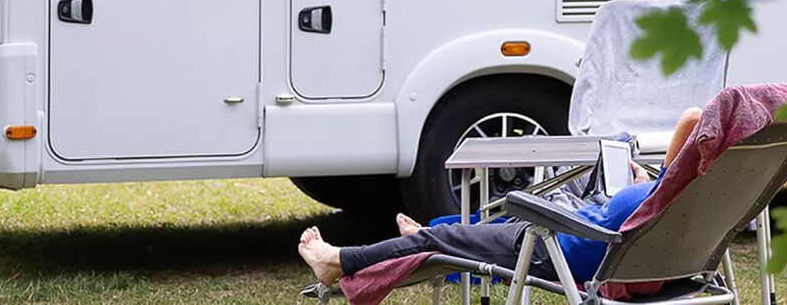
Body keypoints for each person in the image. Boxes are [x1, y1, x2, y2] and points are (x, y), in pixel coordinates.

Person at [298, 106, 703, 287]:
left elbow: (692, 117)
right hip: (592, 240)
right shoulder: (702, 197)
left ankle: (336, 262)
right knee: (485, 229)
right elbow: (695, 130)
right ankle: (427, 233)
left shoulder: (661, 194)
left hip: (557, 250)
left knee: (437, 243)